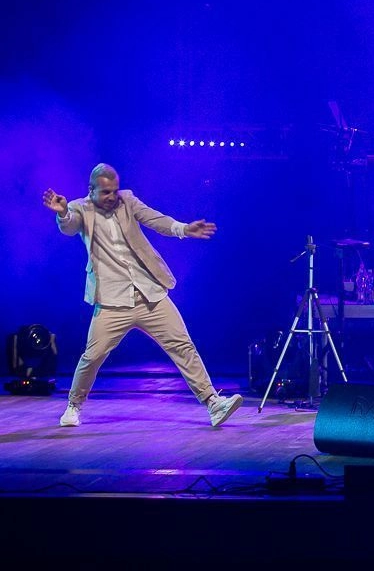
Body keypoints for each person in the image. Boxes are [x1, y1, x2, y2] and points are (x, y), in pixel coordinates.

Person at [42, 164, 243, 428]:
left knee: (182, 345)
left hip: (149, 293)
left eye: (114, 191)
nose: (112, 197)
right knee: (93, 356)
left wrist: (184, 229)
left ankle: (213, 403)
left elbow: (155, 219)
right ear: (91, 190)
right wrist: (62, 213)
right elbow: (70, 226)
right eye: (105, 192)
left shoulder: (127, 200)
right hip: (112, 301)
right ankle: (73, 405)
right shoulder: (80, 208)